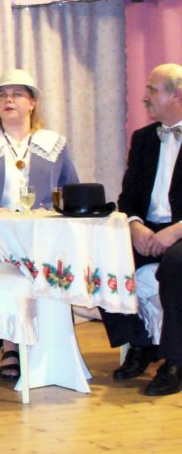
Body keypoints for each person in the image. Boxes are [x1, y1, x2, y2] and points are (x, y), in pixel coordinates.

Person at [0, 68, 78, 381]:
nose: (8, 100)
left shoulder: (54, 144)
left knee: (51, 258)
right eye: (2, 95)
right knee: (6, 264)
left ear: (32, 102)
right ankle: (10, 346)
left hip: (41, 232)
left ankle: (50, 340)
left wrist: (52, 213)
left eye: (17, 94)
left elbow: (72, 192)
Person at [101, 63, 182, 396]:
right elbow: (128, 197)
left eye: (153, 90)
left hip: (180, 232)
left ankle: (175, 361)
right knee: (104, 255)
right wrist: (135, 225)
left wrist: (174, 232)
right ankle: (141, 342)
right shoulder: (143, 138)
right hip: (148, 230)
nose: (145, 96)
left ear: (177, 94)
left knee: (177, 264)